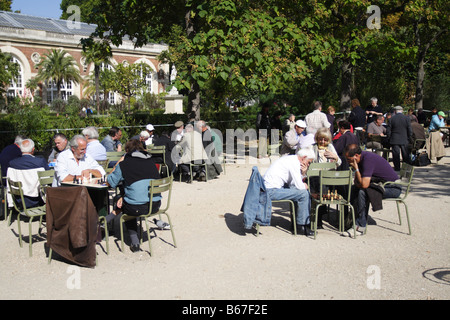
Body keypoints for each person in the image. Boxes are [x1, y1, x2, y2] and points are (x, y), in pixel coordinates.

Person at [107, 139, 161, 252]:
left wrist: (119, 162)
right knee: (127, 198)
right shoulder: (151, 162)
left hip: (136, 207)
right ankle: (106, 220)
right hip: (155, 204)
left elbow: (111, 182)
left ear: (127, 151)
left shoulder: (124, 164)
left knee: (123, 201)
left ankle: (134, 241)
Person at [344, 144, 401, 235]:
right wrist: (357, 171)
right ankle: (351, 220)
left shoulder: (368, 160)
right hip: (380, 184)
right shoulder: (361, 159)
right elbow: (357, 183)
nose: (348, 162)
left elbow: (364, 185)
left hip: (392, 187)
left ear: (356, 156)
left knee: (363, 192)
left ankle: (360, 227)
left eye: (349, 159)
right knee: (353, 189)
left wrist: (356, 169)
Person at [263, 146, 316, 236]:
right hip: (271, 191)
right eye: (308, 162)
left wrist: (303, 173)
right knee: (304, 194)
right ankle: (301, 226)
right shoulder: (294, 163)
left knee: (297, 191)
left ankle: (297, 223)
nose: (308, 165)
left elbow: (293, 183)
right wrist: (304, 184)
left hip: (269, 189)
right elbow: (300, 186)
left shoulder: (291, 159)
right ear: (303, 158)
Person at [6, 138, 49, 209]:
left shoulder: (12, 163)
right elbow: (48, 179)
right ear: (33, 149)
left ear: (20, 149)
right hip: (37, 198)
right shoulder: (40, 162)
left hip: (19, 198)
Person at [386, 106, 412, 171]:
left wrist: (389, 138)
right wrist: (409, 137)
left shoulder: (391, 119)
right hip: (404, 138)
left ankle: (397, 168)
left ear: (395, 111)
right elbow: (409, 130)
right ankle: (405, 168)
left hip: (394, 139)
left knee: (396, 155)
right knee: (405, 154)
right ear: (402, 110)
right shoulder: (407, 119)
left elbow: (388, 130)